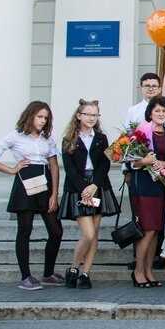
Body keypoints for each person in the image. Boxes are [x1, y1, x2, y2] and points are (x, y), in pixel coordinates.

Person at [0, 102, 64, 290]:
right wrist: (11, 170)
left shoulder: (47, 139)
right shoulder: (14, 136)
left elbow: (53, 166)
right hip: (25, 183)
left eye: (46, 117)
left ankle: (48, 273)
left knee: (56, 230)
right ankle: (25, 276)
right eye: (39, 117)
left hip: (45, 184)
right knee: (25, 230)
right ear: (30, 116)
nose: (43, 121)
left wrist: (54, 194)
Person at [57, 99, 118, 290]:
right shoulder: (69, 138)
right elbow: (69, 168)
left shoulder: (101, 138)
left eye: (95, 115)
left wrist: (94, 186)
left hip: (98, 185)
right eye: (88, 114)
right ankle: (74, 268)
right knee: (88, 233)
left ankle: (86, 273)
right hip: (78, 187)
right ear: (79, 116)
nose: (92, 118)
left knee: (95, 233)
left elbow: (104, 164)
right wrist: (84, 188)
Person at [128, 95, 165, 288]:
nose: (161, 114)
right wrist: (144, 161)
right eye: (157, 110)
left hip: (164, 187)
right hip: (145, 187)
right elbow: (131, 161)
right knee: (147, 230)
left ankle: (149, 271)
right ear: (150, 113)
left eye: (164, 111)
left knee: (156, 230)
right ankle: (138, 271)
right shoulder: (140, 133)